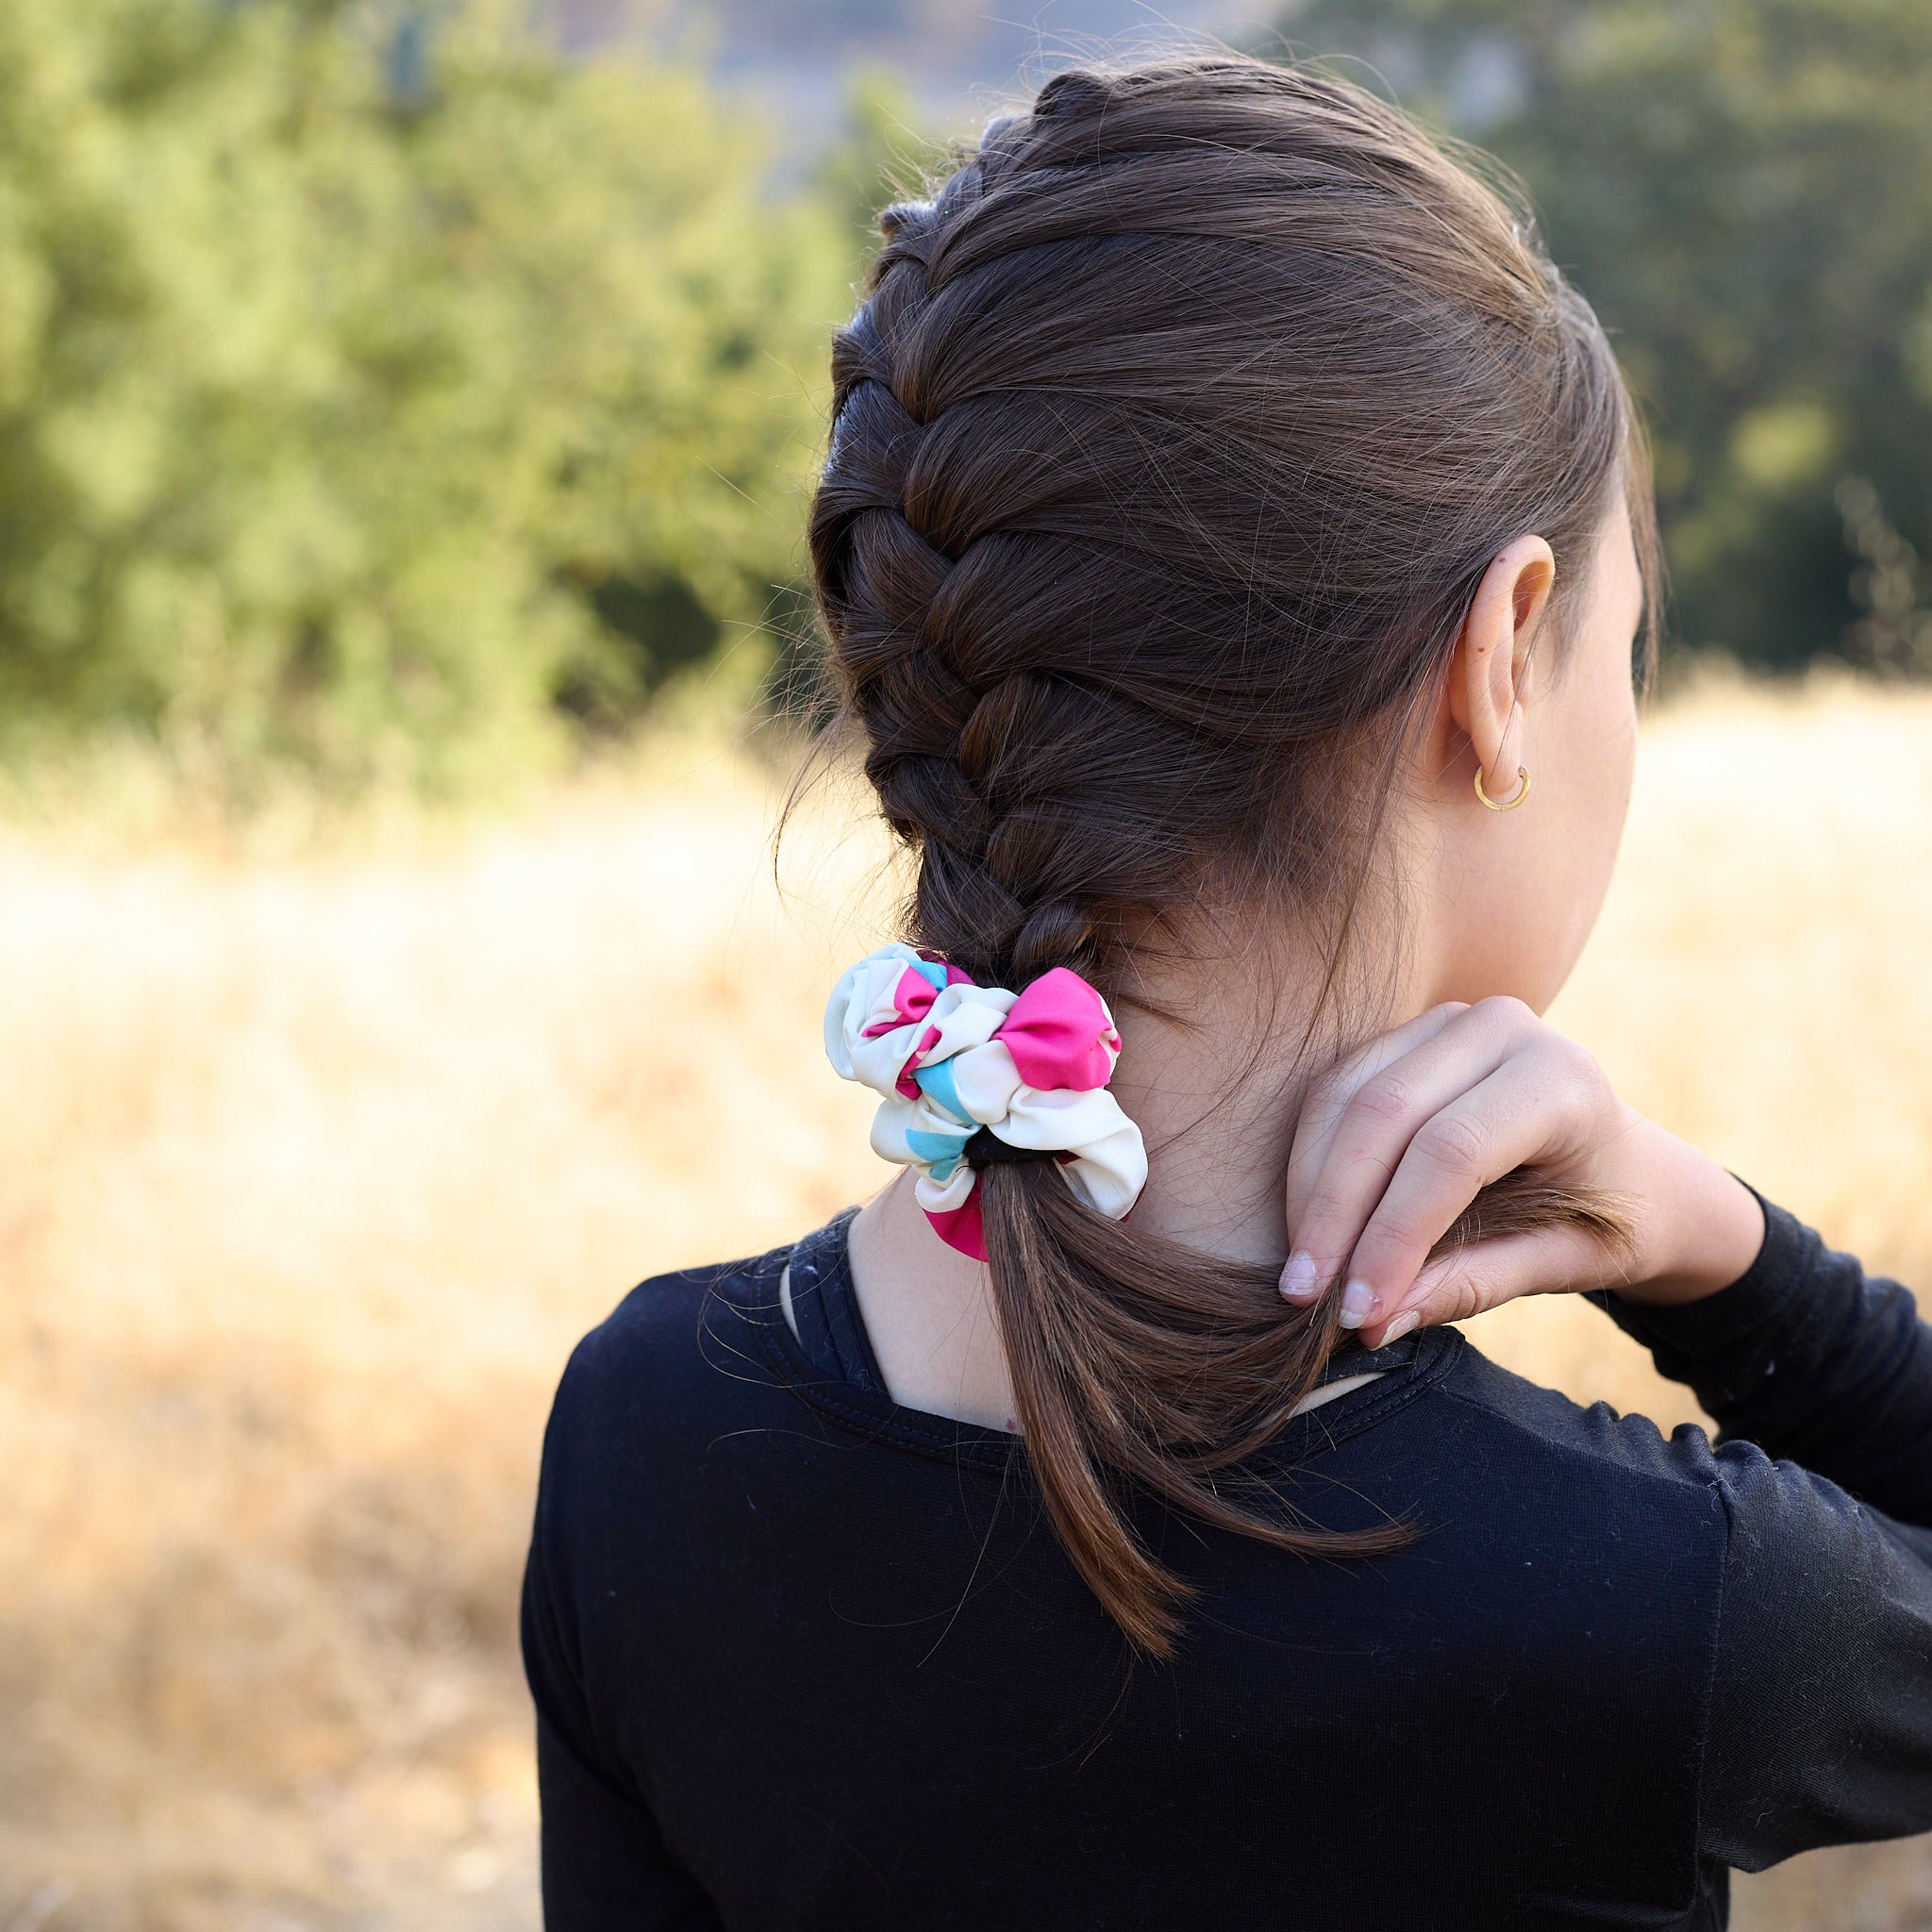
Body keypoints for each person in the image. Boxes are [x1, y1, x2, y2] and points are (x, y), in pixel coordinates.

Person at [521, 57, 1932, 1930]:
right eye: (1624, 649)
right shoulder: (1661, 1600)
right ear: (1502, 655)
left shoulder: (648, 1442)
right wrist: (1726, 1260)